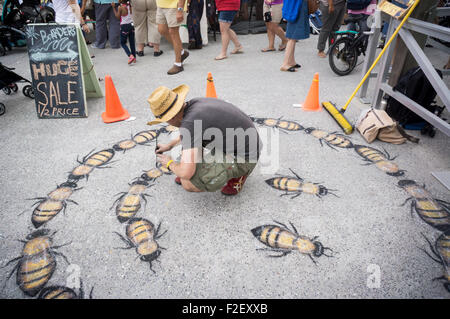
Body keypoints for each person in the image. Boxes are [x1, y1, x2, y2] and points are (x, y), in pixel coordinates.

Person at [148, 85, 262, 195]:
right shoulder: (193, 105)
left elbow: (186, 173)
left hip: (245, 158)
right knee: (189, 157)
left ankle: (240, 173)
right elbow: (190, 134)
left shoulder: (189, 123)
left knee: (187, 182)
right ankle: (203, 169)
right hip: (242, 145)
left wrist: (169, 163)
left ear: (171, 117)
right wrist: (169, 145)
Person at [156, 0, 190, 74]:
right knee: (161, 30)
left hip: (175, 5)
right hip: (161, 4)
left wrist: (180, 9)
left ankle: (178, 64)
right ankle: (182, 52)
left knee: (173, 32)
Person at [280, 0, 309, 72]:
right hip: (296, 7)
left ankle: (291, 61)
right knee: (292, 36)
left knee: (293, 36)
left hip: (294, 6)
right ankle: (285, 63)